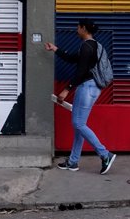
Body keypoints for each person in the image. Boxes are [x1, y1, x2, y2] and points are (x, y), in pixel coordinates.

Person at [45, 18, 116, 175]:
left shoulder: (87, 47)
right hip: (90, 87)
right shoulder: (94, 46)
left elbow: (81, 71)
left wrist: (66, 90)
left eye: (78, 27)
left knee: (78, 123)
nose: (76, 30)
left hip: (87, 87)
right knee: (79, 125)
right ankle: (73, 161)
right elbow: (71, 59)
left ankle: (105, 155)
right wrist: (55, 49)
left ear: (84, 28)